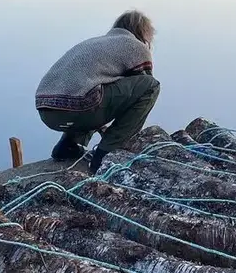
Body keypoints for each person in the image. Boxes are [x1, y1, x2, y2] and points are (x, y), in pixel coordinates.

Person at [35, 10, 160, 174]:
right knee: (151, 86)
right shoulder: (135, 46)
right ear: (142, 32)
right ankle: (107, 152)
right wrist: (116, 133)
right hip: (81, 108)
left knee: (91, 90)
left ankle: (68, 146)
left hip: (46, 111)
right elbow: (141, 89)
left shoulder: (96, 43)